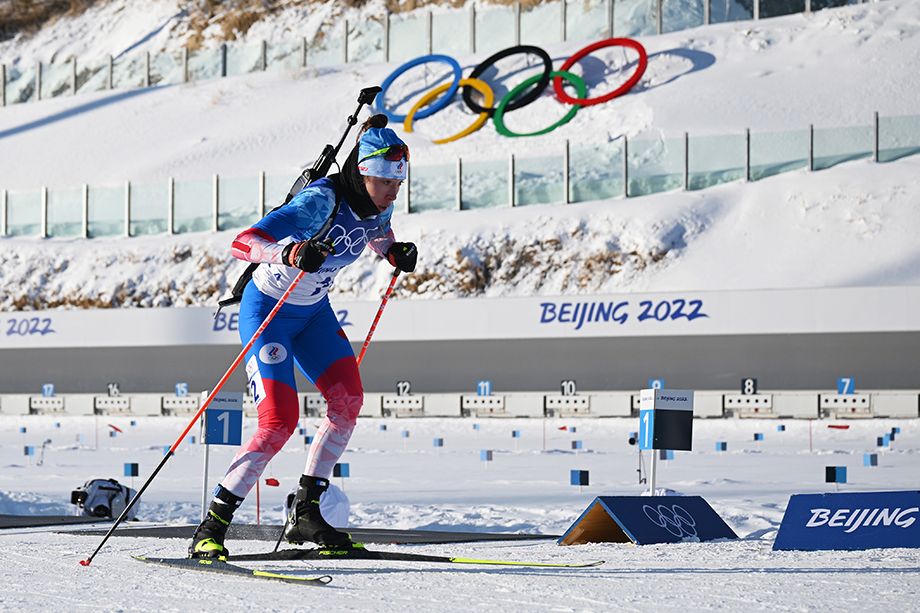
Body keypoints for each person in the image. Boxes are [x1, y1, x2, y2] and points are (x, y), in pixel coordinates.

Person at [189, 118, 417, 560]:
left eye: (400, 179)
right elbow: (244, 242)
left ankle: (307, 514)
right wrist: (290, 252)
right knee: (278, 422)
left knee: (348, 402)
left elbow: (374, 232)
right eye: (386, 180)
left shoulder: (379, 204)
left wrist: (392, 249)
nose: (394, 190)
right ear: (361, 172)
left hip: (313, 314)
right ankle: (212, 525)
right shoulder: (319, 202)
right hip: (269, 312)